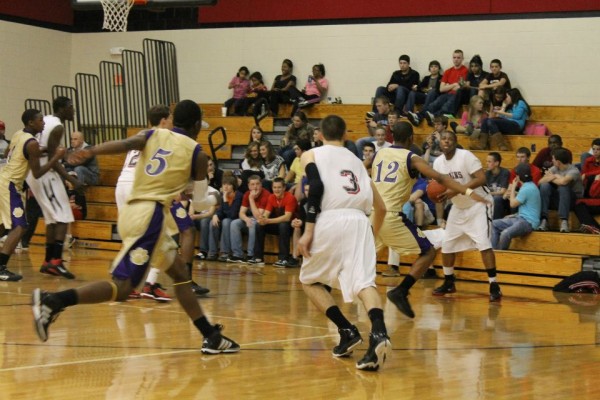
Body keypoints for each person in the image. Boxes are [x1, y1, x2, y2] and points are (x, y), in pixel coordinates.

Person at [32, 100, 240, 354]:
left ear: (173, 121)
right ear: (197, 125)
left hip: (135, 209)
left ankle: (211, 336)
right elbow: (199, 202)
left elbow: (127, 144)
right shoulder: (197, 152)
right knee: (123, 288)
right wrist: (216, 197)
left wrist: (93, 150)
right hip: (149, 217)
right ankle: (53, 301)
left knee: (179, 276)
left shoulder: (154, 133)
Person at [297, 115, 391, 371]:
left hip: (329, 218)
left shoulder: (312, 154)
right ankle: (379, 333)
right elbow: (380, 207)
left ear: (320, 135)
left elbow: (315, 187)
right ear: (346, 135)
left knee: (309, 280)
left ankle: (347, 330)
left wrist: (308, 231)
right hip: (360, 221)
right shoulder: (358, 163)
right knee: (364, 283)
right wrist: (370, 233)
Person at [372, 122, 487, 318]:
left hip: (374, 215)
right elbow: (440, 178)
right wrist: (468, 191)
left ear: (391, 137)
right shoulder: (412, 158)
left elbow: (363, 167)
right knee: (428, 251)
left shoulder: (379, 153)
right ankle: (401, 290)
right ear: (411, 138)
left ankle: (328, 282)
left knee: (361, 257)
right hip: (391, 216)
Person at [115, 105, 209, 300]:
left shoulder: (145, 135)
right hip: (148, 190)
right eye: (170, 118)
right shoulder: (165, 137)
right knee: (184, 230)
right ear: (165, 120)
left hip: (124, 185)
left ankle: (133, 281)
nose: (172, 122)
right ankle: (161, 282)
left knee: (138, 236)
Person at [431, 131, 502, 302]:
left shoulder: (466, 157)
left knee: (484, 244)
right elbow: (438, 189)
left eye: (450, 139)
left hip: (478, 204)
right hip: (458, 206)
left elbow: (482, 178)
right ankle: (449, 281)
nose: (446, 141)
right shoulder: (438, 163)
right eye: (444, 139)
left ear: (455, 142)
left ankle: (494, 284)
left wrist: (456, 189)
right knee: (447, 244)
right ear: (440, 143)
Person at [0, 109, 65, 281]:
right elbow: (37, 173)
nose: (43, 123)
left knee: (3, 226)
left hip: (4, 179)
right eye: (40, 120)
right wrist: (56, 156)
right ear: (31, 123)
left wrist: (40, 151)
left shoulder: (18, 134)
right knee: (20, 227)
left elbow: (9, 153)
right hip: (10, 185)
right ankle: (1, 267)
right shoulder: (32, 143)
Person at [25, 97, 81, 279]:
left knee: (51, 219)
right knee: (64, 216)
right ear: (63, 109)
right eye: (71, 107)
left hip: (35, 173)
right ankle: (56, 261)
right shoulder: (57, 127)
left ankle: (48, 261)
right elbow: (53, 158)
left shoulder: (47, 119)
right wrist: (70, 179)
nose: (73, 110)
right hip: (45, 173)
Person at [407, 50, 468, 126]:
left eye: (458, 57)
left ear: (462, 59)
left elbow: (460, 87)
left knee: (445, 108)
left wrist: (448, 86)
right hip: (446, 94)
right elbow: (441, 89)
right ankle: (418, 117)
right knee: (433, 105)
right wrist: (454, 84)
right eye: (454, 57)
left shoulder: (466, 71)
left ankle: (433, 117)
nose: (456, 59)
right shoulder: (448, 71)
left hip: (456, 96)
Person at [492, 163, 541, 250]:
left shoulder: (527, 188)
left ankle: (499, 254)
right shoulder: (529, 185)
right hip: (520, 218)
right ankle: (494, 251)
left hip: (528, 222)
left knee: (505, 233)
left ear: (518, 177)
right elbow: (524, 199)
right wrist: (513, 215)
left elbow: (512, 204)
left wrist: (513, 187)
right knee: (494, 224)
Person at [253, 177, 298, 266]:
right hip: (277, 223)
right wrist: (263, 219)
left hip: (292, 225)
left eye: (279, 187)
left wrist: (268, 221)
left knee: (283, 225)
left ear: (284, 188)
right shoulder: (271, 197)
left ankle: (283, 259)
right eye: (274, 187)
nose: (276, 190)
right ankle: (258, 257)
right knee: (259, 225)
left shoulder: (290, 197)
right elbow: (266, 213)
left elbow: (287, 217)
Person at [538, 148, 584, 233]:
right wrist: (555, 177)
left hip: (573, 200)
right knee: (544, 186)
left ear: (558, 162)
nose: (552, 161)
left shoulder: (574, 170)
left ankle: (564, 220)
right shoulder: (554, 168)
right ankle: (544, 219)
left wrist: (553, 176)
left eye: (553, 159)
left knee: (564, 186)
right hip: (560, 198)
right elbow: (540, 182)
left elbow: (563, 182)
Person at [229, 174, 270, 263]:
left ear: (261, 185)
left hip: (263, 221)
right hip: (251, 219)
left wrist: (251, 199)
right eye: (252, 184)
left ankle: (251, 255)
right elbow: (241, 213)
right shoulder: (247, 194)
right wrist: (246, 219)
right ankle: (237, 254)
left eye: (257, 184)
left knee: (253, 223)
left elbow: (259, 216)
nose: (255, 187)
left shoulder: (266, 195)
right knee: (234, 223)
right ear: (248, 186)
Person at [213, 174, 244, 261]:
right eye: (224, 184)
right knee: (215, 222)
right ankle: (217, 252)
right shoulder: (224, 195)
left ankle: (228, 252)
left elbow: (233, 214)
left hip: (238, 219)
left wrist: (225, 200)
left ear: (233, 186)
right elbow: (221, 210)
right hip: (228, 219)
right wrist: (216, 215)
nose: (225, 186)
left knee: (226, 221)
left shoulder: (238, 196)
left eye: (228, 184)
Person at [575, 138, 600, 234]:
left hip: (597, 194)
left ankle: (594, 228)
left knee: (580, 205)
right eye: (594, 149)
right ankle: (594, 227)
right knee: (578, 204)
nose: (595, 152)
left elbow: (587, 174)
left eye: (598, 149)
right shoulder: (589, 161)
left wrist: (589, 175)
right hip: (590, 194)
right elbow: (583, 175)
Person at [486, 152, 510, 219]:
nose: (486, 163)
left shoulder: (505, 172)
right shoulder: (487, 173)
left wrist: (488, 193)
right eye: (486, 161)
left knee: (496, 198)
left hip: (503, 199)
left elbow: (502, 192)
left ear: (496, 163)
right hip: (491, 197)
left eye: (489, 161)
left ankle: (496, 221)